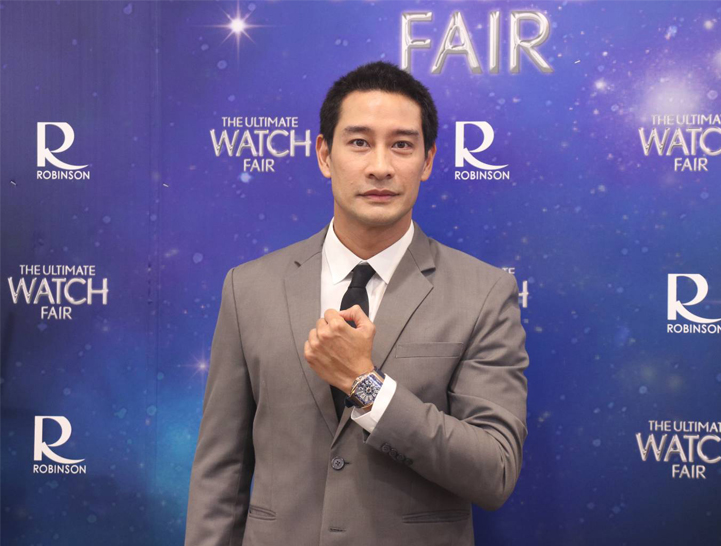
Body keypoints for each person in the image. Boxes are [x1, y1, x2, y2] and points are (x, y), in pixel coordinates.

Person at [184, 61, 529, 546]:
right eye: (360, 142)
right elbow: (220, 471)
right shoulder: (249, 288)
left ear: (428, 160)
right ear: (325, 154)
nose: (380, 166)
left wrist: (367, 387)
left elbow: (494, 470)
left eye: (402, 145)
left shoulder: (483, 292)